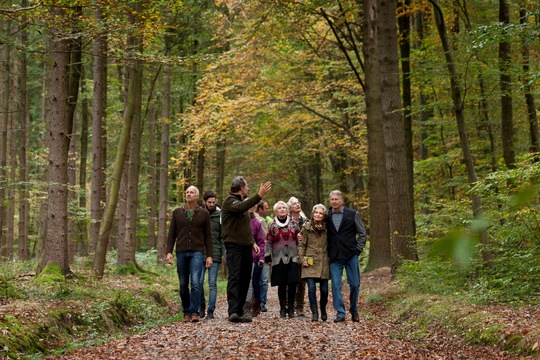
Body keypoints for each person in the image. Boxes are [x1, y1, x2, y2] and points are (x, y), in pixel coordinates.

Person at [222, 176, 272, 323]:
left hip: (245, 247)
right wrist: (259, 195)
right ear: (241, 187)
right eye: (247, 186)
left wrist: (252, 242)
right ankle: (233, 311)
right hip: (233, 247)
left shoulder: (242, 204)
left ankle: (240, 311)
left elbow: (243, 228)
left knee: (245, 279)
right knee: (235, 277)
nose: (248, 188)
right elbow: (241, 207)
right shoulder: (230, 201)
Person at [166, 186, 213, 323]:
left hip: (197, 252)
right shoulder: (177, 213)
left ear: (197, 196)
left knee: (196, 283)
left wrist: (209, 255)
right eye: (187, 192)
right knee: (182, 284)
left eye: (191, 192)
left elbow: (208, 236)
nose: (188, 194)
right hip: (181, 252)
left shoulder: (204, 214)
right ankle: (186, 311)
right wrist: (169, 251)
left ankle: (194, 312)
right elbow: (171, 234)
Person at [326, 190, 366, 323]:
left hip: (350, 255)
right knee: (336, 285)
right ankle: (340, 312)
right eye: (332, 199)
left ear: (342, 200)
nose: (334, 201)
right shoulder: (327, 215)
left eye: (336, 199)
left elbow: (362, 234)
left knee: (354, 284)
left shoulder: (353, 214)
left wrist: (358, 250)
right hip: (334, 256)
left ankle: (354, 310)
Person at [264, 201, 301, 318]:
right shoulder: (272, 225)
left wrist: (301, 255)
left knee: (292, 283)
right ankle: (282, 308)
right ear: (275, 211)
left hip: (293, 257)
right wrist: (267, 255)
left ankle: (291, 308)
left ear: (287, 210)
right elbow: (268, 241)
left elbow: (300, 240)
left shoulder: (294, 223)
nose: (282, 209)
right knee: (281, 283)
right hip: (277, 258)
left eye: (284, 208)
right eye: (279, 208)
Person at [298, 204, 330, 321]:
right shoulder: (306, 227)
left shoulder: (328, 228)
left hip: (323, 262)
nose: (318, 215)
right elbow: (302, 245)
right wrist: (301, 259)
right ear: (313, 213)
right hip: (310, 261)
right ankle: (314, 312)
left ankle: (323, 309)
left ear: (324, 215)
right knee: (311, 288)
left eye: (320, 213)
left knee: (325, 290)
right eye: (316, 212)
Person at [199, 191, 222, 320]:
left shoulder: (220, 216)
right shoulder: (200, 214)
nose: (212, 204)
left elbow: (222, 236)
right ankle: (201, 306)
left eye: (214, 202)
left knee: (212, 283)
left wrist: (222, 253)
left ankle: (211, 310)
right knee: (199, 282)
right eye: (209, 202)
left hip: (215, 252)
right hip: (200, 252)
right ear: (204, 202)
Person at [244, 206, 265, 318]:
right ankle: (241, 306)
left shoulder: (256, 223)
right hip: (241, 256)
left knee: (253, 282)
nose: (250, 207)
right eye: (248, 205)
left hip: (254, 257)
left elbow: (261, 242)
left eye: (252, 205)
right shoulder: (239, 222)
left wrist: (261, 257)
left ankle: (254, 307)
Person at [288, 196, 307, 317]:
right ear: (290, 208)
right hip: (288, 253)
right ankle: (289, 305)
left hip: (302, 253)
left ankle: (300, 306)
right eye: (295, 204)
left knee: (302, 281)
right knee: (290, 280)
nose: (298, 205)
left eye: (298, 203)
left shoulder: (305, 221)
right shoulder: (286, 220)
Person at [255, 200, 271, 312]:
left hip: (264, 254)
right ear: (260, 209)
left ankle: (262, 302)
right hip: (258, 254)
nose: (268, 210)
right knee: (259, 279)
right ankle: (257, 302)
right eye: (266, 208)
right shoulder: (259, 221)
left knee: (264, 280)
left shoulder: (266, 220)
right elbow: (266, 238)